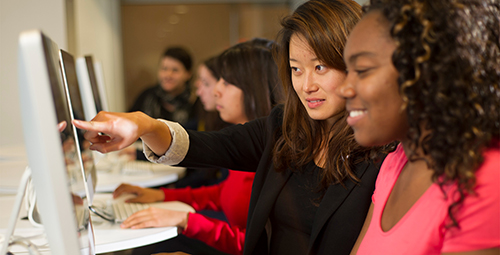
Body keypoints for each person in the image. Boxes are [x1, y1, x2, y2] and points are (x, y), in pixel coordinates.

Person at [73, 0, 386, 254]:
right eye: (295, 70)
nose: (306, 85)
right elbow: (205, 145)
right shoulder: (284, 130)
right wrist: (144, 124)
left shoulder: (379, 155)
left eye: (320, 67)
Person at [337, 0, 500, 254]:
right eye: (347, 70)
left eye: (362, 70)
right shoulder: (395, 163)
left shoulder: (485, 178)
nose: (344, 89)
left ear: (426, 72)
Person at [112, 38, 284, 255]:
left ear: (254, 89)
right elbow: (223, 193)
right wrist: (163, 196)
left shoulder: (270, 153)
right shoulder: (244, 143)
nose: (216, 91)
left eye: (227, 82)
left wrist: (187, 221)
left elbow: (256, 244)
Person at [130, 46, 199, 131]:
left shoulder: (196, 102)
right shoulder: (147, 96)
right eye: (164, 69)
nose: (168, 75)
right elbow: (129, 125)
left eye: (175, 70)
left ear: (188, 74)